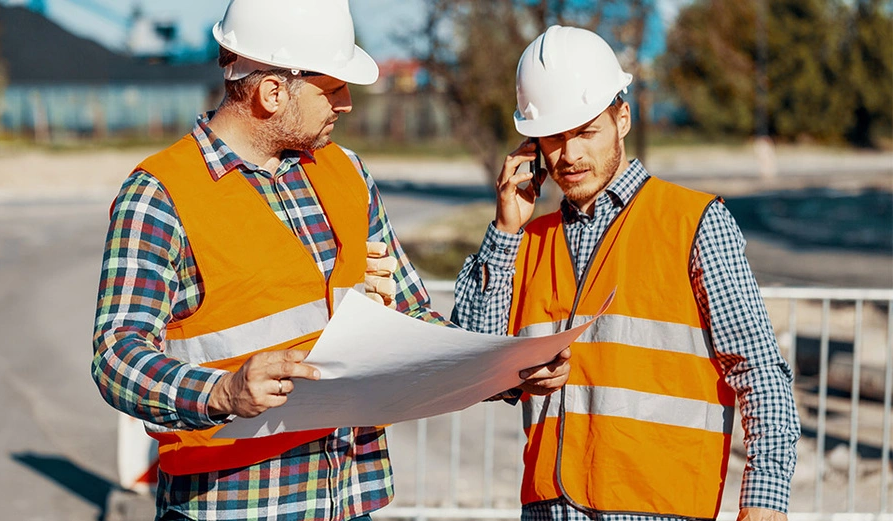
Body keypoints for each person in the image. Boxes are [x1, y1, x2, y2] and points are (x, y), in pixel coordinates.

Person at [90, 1, 449, 519]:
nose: (347, 104)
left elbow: (413, 310)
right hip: (232, 506)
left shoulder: (346, 172)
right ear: (272, 92)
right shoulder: (161, 195)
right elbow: (116, 356)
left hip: (349, 498)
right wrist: (221, 391)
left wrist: (498, 372)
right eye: (333, 88)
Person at [452, 25, 801, 521]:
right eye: (552, 136)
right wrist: (504, 230)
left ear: (623, 119)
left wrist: (765, 503)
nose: (568, 154)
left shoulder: (693, 223)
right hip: (551, 509)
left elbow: (760, 371)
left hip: (661, 508)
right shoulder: (525, 242)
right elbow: (471, 370)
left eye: (586, 131)